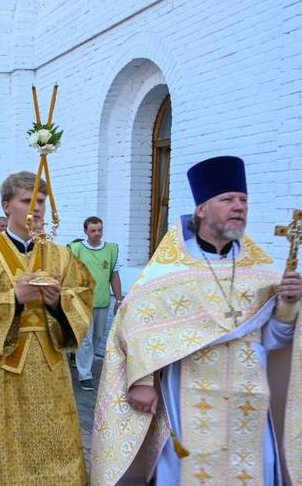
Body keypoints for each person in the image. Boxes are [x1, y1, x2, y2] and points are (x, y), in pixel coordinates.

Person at [91, 156, 300, 486]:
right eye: (227, 199)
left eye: (243, 200)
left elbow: (275, 341)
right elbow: (137, 323)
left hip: (249, 399)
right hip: (190, 395)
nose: (238, 207)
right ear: (201, 209)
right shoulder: (170, 271)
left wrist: (287, 306)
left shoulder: (262, 273)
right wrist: (142, 380)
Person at [0, 171, 93, 484]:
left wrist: (58, 302)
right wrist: (13, 298)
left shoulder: (62, 256)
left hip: (49, 370)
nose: (36, 208)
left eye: (41, 201)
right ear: (6, 205)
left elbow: (84, 295)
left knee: (53, 443)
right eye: (27, 201)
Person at [67, 216, 122, 391]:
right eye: (93, 230)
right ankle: (85, 375)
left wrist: (118, 299)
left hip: (102, 301)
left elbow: (114, 275)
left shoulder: (111, 249)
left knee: (97, 337)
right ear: (86, 231)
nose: (97, 233)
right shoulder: (76, 249)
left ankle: (82, 362)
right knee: (85, 340)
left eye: (99, 230)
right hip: (82, 302)